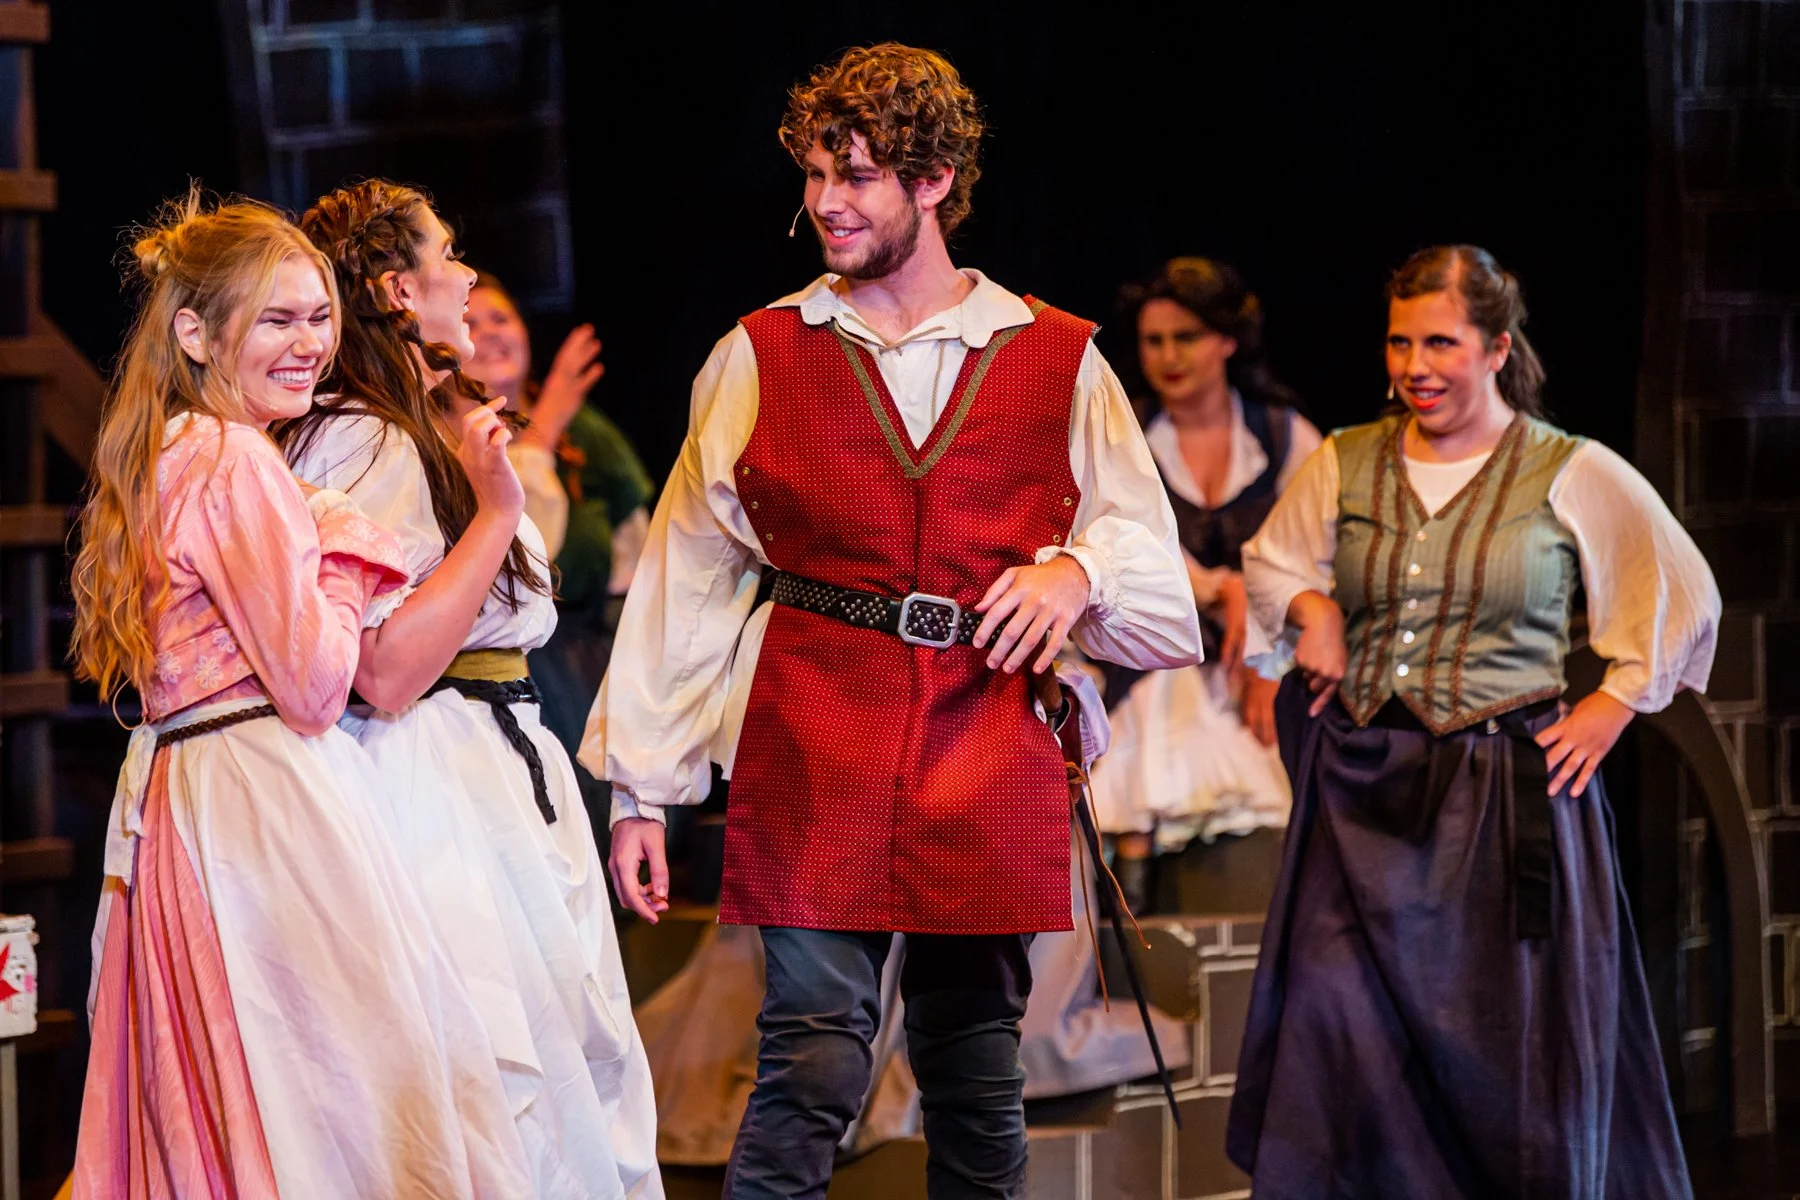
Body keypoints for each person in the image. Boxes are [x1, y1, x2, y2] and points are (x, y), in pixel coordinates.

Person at [583, 43, 1200, 1199]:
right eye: (816, 173)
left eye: (857, 175)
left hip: (985, 722)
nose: (826, 201)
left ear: (934, 181)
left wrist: (1075, 573)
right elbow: (688, 576)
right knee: (812, 1053)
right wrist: (641, 792)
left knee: (973, 1065)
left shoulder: (1055, 356)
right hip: (818, 721)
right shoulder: (762, 353)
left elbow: (1158, 584)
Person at [1226, 244, 1718, 1198]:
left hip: (1500, 798)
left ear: (1496, 348)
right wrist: (1314, 610)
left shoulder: (1568, 469)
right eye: (1400, 342)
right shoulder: (1346, 460)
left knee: (1504, 1053)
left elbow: (1681, 588)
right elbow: (1273, 564)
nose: (1416, 366)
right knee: (1337, 1032)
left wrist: (1615, 703)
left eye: (1441, 343)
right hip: (1365, 794)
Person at [69, 193, 532, 1197]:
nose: (309, 345)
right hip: (263, 798)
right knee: (339, 1102)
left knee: (246, 1093)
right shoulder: (236, 458)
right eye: (277, 320)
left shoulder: (175, 448)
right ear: (196, 333)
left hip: (197, 791)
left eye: (319, 317)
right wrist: (346, 552)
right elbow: (320, 685)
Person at [280, 180, 661, 1199]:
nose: (467, 275)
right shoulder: (363, 438)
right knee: (489, 1076)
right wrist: (494, 514)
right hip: (431, 775)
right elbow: (385, 666)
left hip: (489, 760)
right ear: (400, 290)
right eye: (448, 254)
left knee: (560, 1069)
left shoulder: (416, 423)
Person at [1092, 258, 1321, 913]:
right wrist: (1221, 589)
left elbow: (1316, 554)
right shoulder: (1124, 433)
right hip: (1152, 655)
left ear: (1226, 340)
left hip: (1263, 658)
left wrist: (1267, 640)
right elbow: (1117, 542)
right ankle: (1132, 879)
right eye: (1154, 341)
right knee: (1162, 680)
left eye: (1185, 338)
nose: (1168, 357)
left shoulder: (1282, 435)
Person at [462, 272, 654, 828]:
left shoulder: (584, 431)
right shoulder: (456, 443)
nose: (489, 332)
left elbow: (639, 553)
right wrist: (541, 428)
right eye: (470, 321)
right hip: (527, 672)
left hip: (599, 658)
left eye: (501, 318)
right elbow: (520, 563)